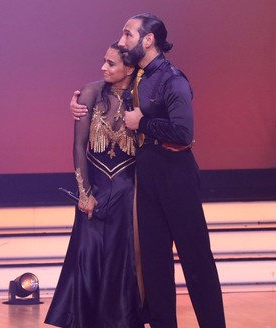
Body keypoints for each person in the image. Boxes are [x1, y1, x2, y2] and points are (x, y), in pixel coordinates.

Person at [71, 13, 226, 328]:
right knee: (154, 263)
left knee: (196, 260)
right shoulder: (135, 78)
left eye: (128, 34)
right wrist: (78, 101)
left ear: (148, 39)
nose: (123, 40)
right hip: (147, 176)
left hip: (176, 175)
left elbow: (183, 133)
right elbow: (105, 89)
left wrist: (142, 123)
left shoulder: (172, 79)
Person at [45, 43, 144, 328]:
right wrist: (84, 193)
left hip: (128, 190)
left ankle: (120, 319)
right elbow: (79, 146)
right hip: (96, 188)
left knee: (121, 256)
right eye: (104, 61)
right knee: (88, 252)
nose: (103, 67)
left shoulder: (141, 96)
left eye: (111, 64)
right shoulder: (90, 92)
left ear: (129, 69)